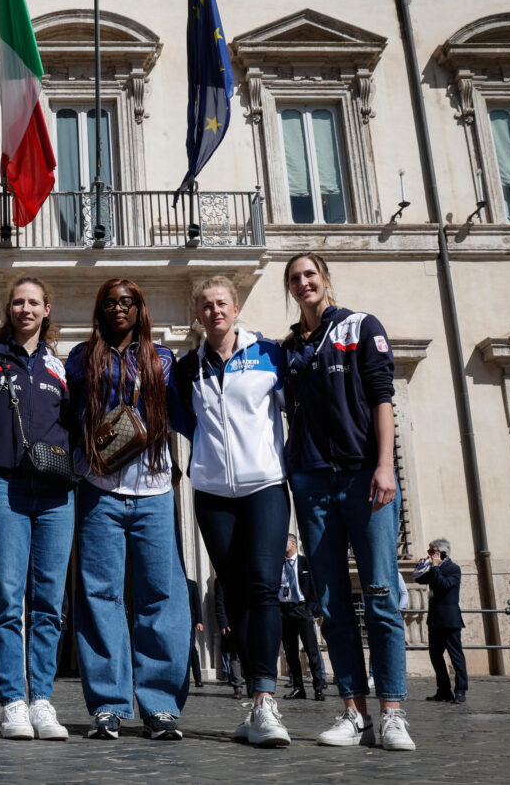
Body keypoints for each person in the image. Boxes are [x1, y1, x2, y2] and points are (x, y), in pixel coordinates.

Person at [282, 252, 415, 751]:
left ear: (325, 279)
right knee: (334, 604)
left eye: (310, 275)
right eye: (295, 278)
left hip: (365, 476)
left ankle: (394, 712)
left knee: (380, 594)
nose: (303, 283)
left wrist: (385, 465)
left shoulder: (359, 326)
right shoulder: (290, 346)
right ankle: (353, 711)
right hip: (313, 481)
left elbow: (383, 396)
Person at [66, 278, 189, 742]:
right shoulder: (81, 358)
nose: (118, 308)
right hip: (100, 489)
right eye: (110, 302)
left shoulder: (163, 360)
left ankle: (159, 706)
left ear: (140, 309)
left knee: (162, 596)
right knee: (100, 597)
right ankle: (109, 706)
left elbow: (185, 413)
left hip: (154, 491)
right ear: (100, 310)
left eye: (128, 302)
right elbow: (67, 415)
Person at [172, 275, 293, 747]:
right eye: (205, 305)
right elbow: (185, 422)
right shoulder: (188, 369)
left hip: (264, 485)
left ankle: (265, 699)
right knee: (237, 594)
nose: (214, 311)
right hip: (213, 494)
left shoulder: (270, 355)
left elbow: (295, 415)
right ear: (197, 314)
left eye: (221, 303)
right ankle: (254, 702)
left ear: (236, 308)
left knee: (263, 589)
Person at [0, 277, 74, 741]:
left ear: (47, 309)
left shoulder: (61, 367)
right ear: (7, 308)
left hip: (56, 493)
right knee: (6, 600)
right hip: (3, 487)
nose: (26, 308)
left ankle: (42, 701)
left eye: (34, 302)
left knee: (50, 604)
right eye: (18, 301)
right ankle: (13, 700)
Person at [413, 538, 467, 704]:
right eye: (429, 552)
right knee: (436, 656)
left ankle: (460, 691)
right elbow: (419, 579)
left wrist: (435, 567)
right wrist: (422, 566)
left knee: (455, 656)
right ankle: (443, 690)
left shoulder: (453, 569)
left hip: (450, 620)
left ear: (442, 553)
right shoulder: (433, 568)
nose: (429, 555)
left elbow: (444, 585)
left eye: (432, 552)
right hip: (435, 619)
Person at [280, 534, 327, 701]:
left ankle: (319, 688)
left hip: (302, 609)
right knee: (290, 653)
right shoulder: (279, 564)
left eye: (284, 540)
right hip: (285, 611)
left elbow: (315, 586)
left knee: (311, 651)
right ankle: (298, 688)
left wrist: (311, 609)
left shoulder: (305, 562)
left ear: (293, 543)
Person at [214, 581, 246, 699]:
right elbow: (219, 603)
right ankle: (237, 687)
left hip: (250, 619)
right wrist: (223, 623)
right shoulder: (221, 580)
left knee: (252, 655)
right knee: (235, 655)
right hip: (232, 623)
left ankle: (254, 686)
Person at [187, 579, 204, 688]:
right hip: (177, 624)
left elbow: (197, 604)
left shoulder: (192, 584)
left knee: (192, 649)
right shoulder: (173, 584)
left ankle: (198, 678)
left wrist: (199, 621)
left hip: (190, 623)